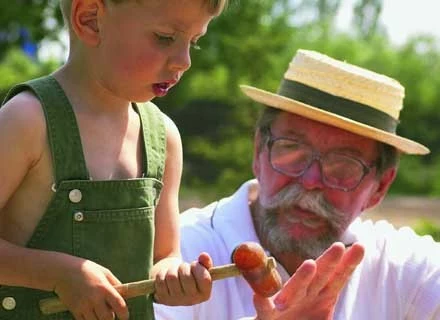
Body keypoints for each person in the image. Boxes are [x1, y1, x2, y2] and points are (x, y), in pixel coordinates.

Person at [154, 49, 440, 320]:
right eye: (292, 151)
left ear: (380, 187)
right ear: (258, 151)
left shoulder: (403, 269)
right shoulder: (180, 255)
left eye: (343, 167)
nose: (311, 181)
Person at [0, 0, 228, 319]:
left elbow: (164, 255)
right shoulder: (28, 120)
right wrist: (56, 273)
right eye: (165, 37)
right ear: (91, 20)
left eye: (193, 42)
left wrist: (174, 276)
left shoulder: (164, 138)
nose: (184, 61)